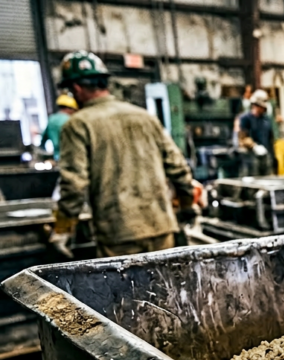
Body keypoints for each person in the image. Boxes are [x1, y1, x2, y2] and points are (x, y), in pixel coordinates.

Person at [50, 50, 199, 258]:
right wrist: (186, 204)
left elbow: (74, 183)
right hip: (161, 227)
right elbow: (177, 166)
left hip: (118, 234)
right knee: (166, 288)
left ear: (75, 88)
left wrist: (63, 228)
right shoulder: (144, 117)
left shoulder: (77, 125)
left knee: (125, 290)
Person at [237, 89, 275, 177]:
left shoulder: (266, 120)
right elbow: (242, 138)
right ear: (256, 105)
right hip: (251, 157)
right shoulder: (245, 119)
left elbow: (270, 138)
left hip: (266, 156)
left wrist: (273, 157)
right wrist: (254, 146)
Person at [39, 94, 77, 161]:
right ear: (69, 108)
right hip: (72, 158)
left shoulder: (51, 120)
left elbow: (43, 139)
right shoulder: (71, 120)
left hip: (57, 158)